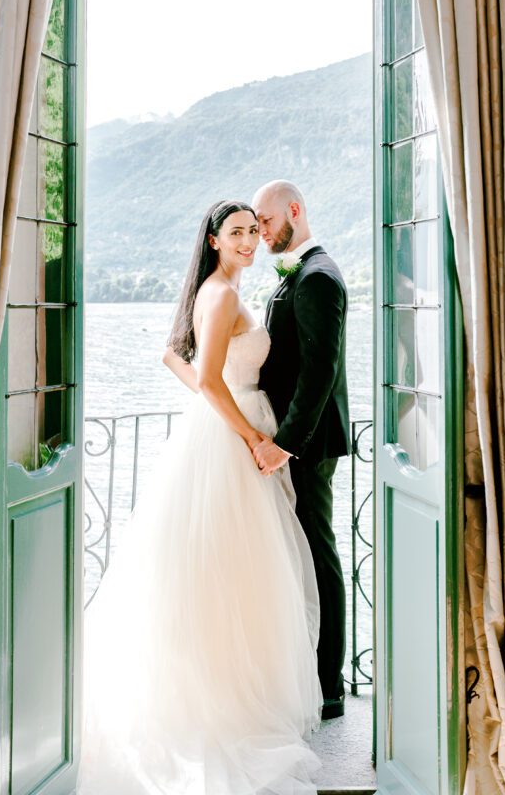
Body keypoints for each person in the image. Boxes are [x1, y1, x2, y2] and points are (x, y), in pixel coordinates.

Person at [79, 199, 323, 795]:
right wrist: (251, 437)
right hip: (232, 444)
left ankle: (236, 688)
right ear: (213, 240)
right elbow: (212, 380)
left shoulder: (222, 290)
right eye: (235, 233)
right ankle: (219, 703)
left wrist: (232, 418)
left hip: (227, 430)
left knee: (239, 573)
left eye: (251, 231)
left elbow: (176, 358)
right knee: (230, 571)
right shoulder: (220, 295)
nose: (247, 240)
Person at [252, 180, 350, 721]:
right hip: (296, 441)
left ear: (294, 210)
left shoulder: (317, 277)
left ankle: (329, 686)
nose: (261, 231)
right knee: (303, 556)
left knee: (319, 556)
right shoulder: (301, 273)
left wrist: (285, 444)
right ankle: (306, 672)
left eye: (265, 220)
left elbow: (319, 373)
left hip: (307, 446)